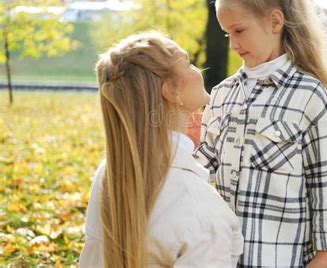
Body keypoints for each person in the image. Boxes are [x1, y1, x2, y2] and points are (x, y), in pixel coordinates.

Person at [194, 0, 327, 268]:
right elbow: (201, 169)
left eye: (239, 31)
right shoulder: (221, 95)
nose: (232, 44)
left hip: (281, 258)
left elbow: (324, 184)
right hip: (221, 258)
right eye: (226, 33)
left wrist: (326, 256)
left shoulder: (309, 96)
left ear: (274, 22)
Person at [80, 31, 243, 267]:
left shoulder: (109, 174)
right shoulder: (202, 210)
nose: (198, 70)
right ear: (171, 91)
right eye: (188, 63)